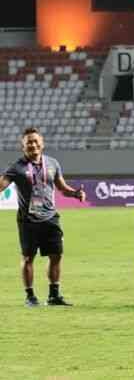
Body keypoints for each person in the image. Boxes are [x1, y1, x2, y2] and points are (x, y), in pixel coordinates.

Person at [0, 127, 86, 307]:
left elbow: (62, 188)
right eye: (28, 142)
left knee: (56, 255)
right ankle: (30, 297)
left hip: (50, 218)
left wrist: (76, 193)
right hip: (28, 221)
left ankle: (53, 295)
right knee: (28, 258)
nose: (32, 144)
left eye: (35, 141)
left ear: (42, 143)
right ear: (23, 146)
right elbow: (1, 185)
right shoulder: (16, 167)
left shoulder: (53, 163)